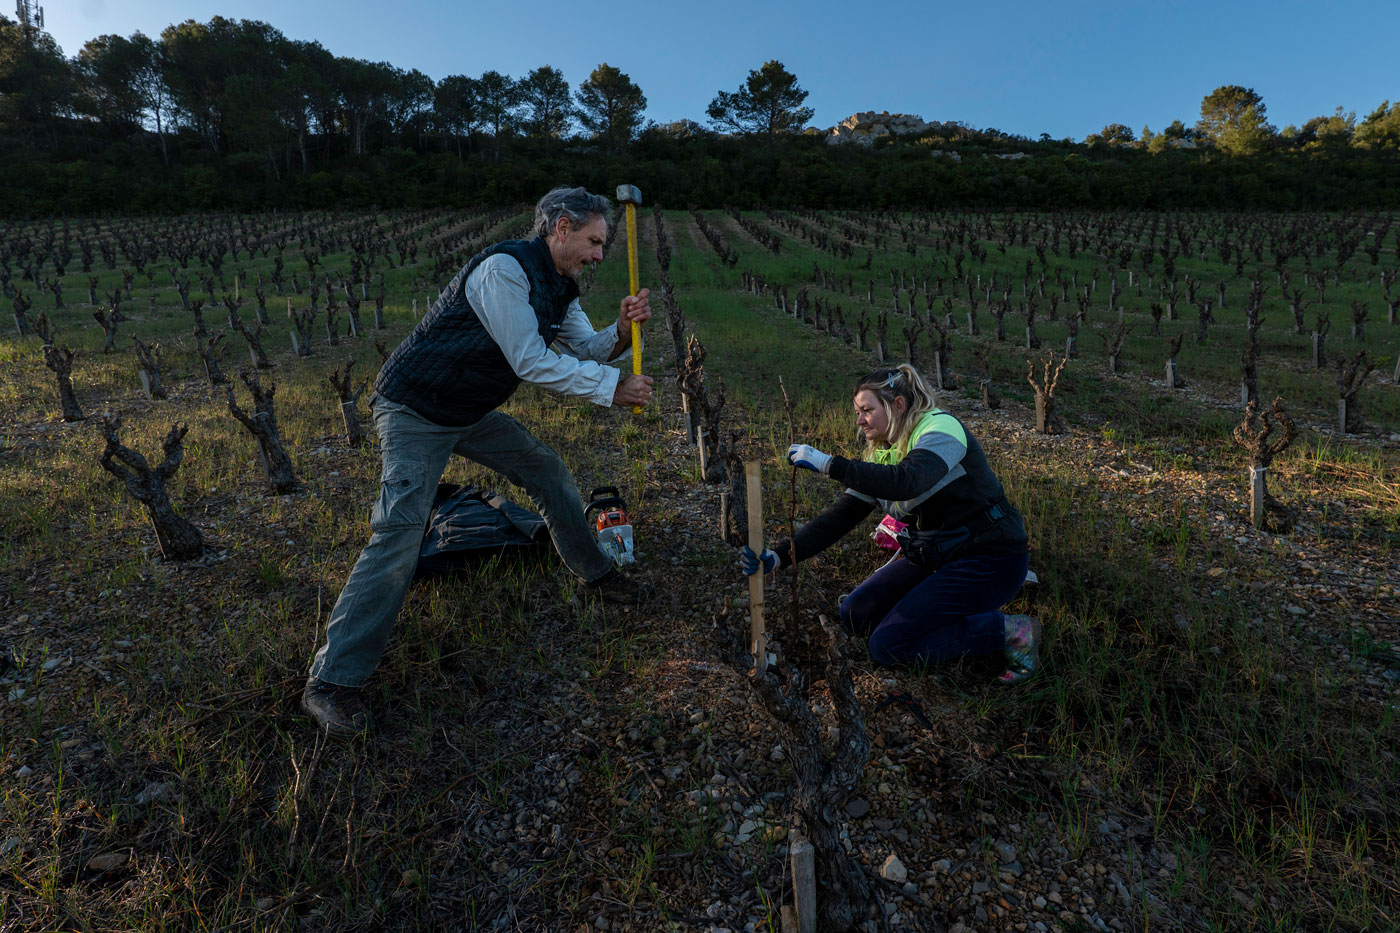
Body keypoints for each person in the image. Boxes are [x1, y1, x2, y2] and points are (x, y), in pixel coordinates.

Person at [303, 186, 655, 737]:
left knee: (547, 471)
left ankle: (598, 573)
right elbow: (531, 360)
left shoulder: (561, 287)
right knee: (399, 530)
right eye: (592, 241)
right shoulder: (503, 271)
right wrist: (613, 389)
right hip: (415, 407)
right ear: (560, 228)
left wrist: (623, 328)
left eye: (603, 245)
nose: (598, 255)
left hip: (468, 409)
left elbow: (584, 349)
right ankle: (331, 682)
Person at [740, 364, 1041, 683]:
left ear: (898, 405)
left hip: (990, 558)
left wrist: (829, 464)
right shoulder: (882, 457)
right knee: (855, 616)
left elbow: (908, 482)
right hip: (936, 556)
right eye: (858, 411)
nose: (859, 420)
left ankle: (1012, 631)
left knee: (889, 646)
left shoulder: (940, 429)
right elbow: (838, 519)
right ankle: (928, 612)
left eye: (867, 410)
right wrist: (779, 556)